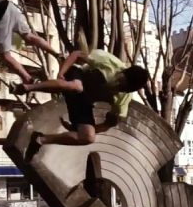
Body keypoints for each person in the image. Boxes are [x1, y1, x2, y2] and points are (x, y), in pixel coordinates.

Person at [9, 49, 149, 161]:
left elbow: (107, 125)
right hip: (76, 76)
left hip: (82, 100)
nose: (116, 86)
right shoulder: (110, 62)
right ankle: (26, 88)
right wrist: (61, 73)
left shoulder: (123, 100)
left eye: (121, 88)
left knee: (88, 137)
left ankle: (39, 140)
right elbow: (76, 54)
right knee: (76, 86)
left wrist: (76, 128)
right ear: (122, 72)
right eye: (119, 81)